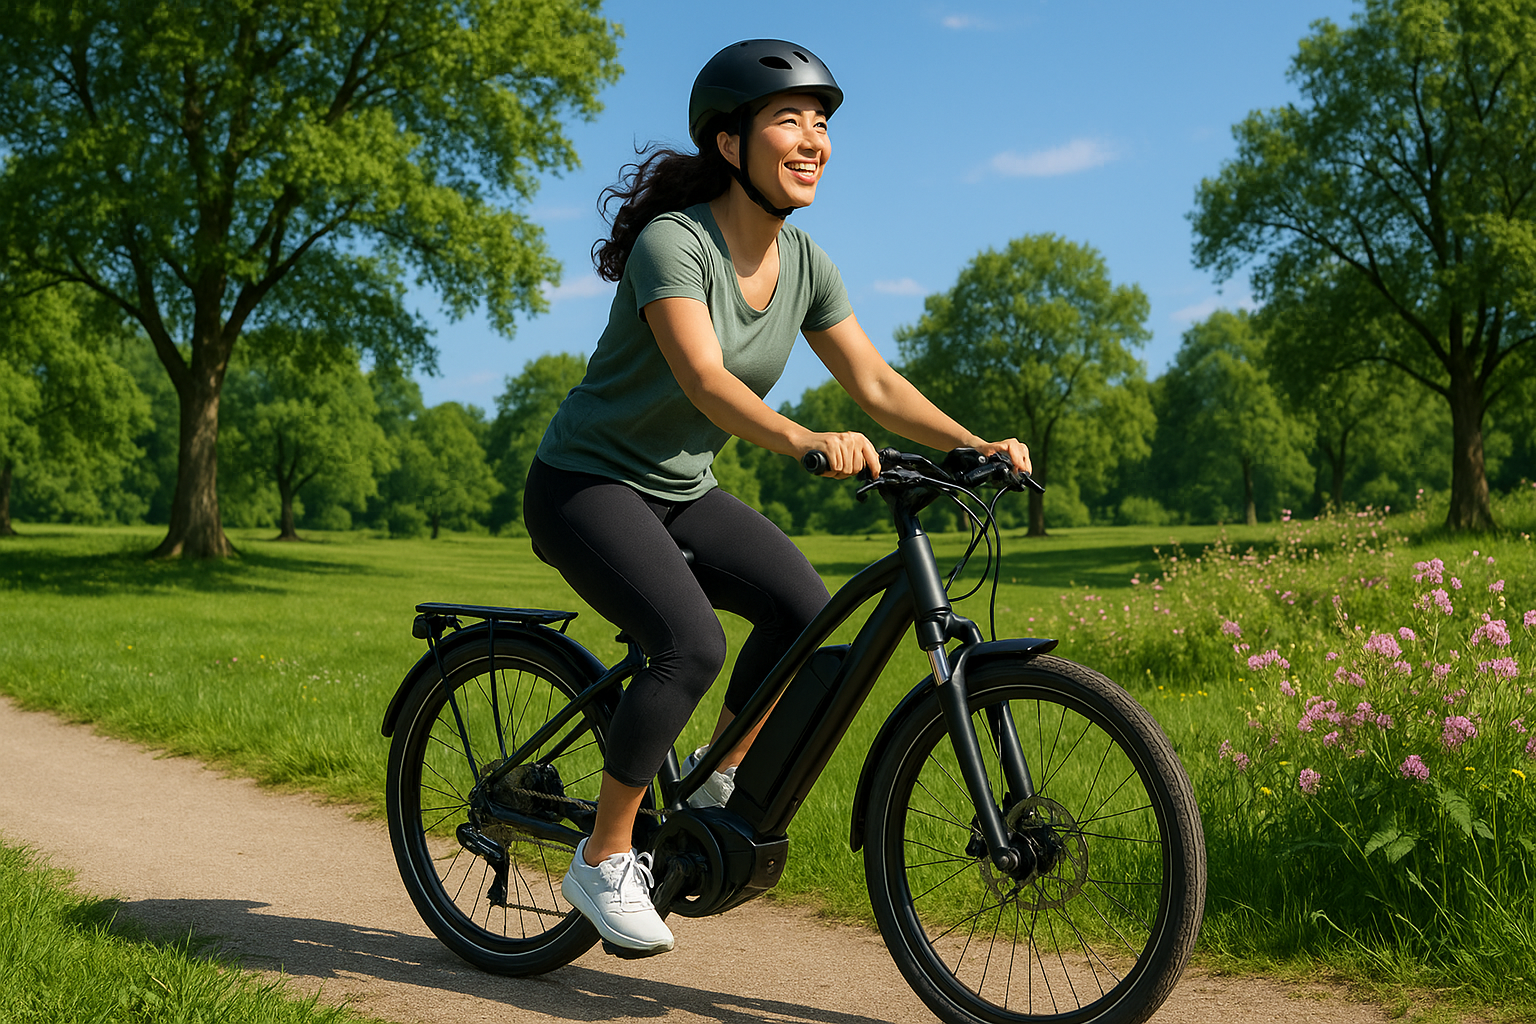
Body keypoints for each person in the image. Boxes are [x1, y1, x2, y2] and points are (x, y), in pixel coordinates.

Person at [522, 38, 1031, 956]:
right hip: (585, 483)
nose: (812, 140)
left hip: (679, 487)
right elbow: (706, 379)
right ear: (730, 145)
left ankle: (715, 781)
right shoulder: (673, 244)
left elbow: (873, 384)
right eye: (788, 120)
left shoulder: (806, 262)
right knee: (687, 644)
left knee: (801, 608)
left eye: (822, 123)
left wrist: (973, 444)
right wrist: (804, 438)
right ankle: (602, 857)